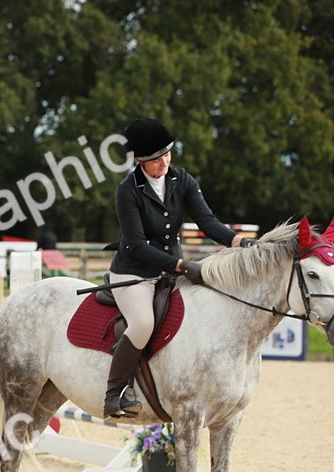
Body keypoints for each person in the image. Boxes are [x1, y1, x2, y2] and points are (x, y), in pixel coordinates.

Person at [104, 118, 248, 419]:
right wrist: (181, 265)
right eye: (156, 160)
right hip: (135, 271)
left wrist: (238, 241)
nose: (164, 162)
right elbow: (137, 245)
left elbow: (207, 222)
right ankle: (115, 392)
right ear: (140, 161)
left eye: (167, 154)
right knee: (143, 323)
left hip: (171, 269)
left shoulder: (182, 180)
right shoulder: (127, 190)